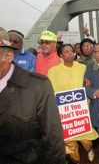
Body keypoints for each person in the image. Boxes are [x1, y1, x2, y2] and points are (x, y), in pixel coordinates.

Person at [0, 27, 65, 163]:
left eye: (48, 42)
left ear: (9, 56)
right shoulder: (39, 58)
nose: (44, 45)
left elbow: (52, 136)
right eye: (42, 42)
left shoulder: (40, 84)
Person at [47, 44, 99, 163]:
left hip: (81, 111)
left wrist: (89, 84)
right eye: (66, 51)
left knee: (87, 140)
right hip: (65, 114)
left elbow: (89, 84)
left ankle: (89, 149)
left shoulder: (82, 68)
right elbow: (50, 91)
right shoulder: (53, 71)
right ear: (60, 55)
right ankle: (77, 160)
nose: (70, 53)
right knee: (70, 142)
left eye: (71, 51)